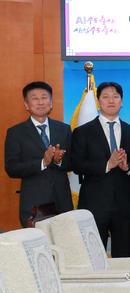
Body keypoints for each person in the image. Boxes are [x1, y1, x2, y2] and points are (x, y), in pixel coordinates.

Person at [71, 82, 130, 257]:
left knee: (123, 259)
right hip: (93, 205)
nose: (111, 100)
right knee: (94, 258)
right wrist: (107, 165)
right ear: (98, 102)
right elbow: (77, 165)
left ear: (121, 102)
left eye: (115, 96)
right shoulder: (83, 132)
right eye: (105, 97)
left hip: (124, 207)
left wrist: (128, 168)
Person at [4, 81, 73, 228]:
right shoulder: (16, 132)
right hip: (33, 204)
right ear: (26, 104)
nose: (41, 102)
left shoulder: (64, 129)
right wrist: (43, 162)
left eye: (44, 97)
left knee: (64, 241)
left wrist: (59, 161)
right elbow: (11, 168)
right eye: (35, 98)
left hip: (62, 202)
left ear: (51, 102)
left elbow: (73, 162)